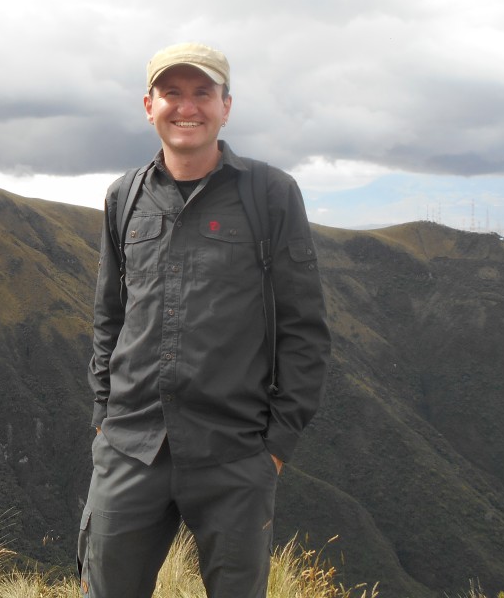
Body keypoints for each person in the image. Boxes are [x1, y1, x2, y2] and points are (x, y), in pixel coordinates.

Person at [77, 42, 332, 597]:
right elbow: (109, 317)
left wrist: (277, 445)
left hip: (235, 453)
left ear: (226, 106)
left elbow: (304, 328)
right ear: (150, 106)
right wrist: (103, 416)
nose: (186, 107)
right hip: (130, 448)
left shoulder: (269, 194)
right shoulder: (124, 198)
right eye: (172, 93)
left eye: (202, 93)